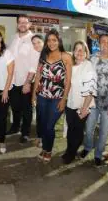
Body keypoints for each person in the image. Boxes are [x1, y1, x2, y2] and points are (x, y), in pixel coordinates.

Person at [80, 34, 108, 166]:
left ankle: (98, 154)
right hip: (92, 102)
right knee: (88, 130)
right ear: (99, 44)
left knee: (104, 134)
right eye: (103, 42)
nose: (106, 45)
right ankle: (88, 147)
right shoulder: (92, 59)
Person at [32, 29, 72, 163]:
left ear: (59, 41)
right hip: (42, 96)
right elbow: (38, 75)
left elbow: (68, 81)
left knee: (49, 126)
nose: (51, 43)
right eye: (49, 40)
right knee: (43, 124)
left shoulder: (65, 57)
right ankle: (45, 148)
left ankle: (48, 150)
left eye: (54, 40)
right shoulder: (43, 55)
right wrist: (34, 95)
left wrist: (64, 99)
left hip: (57, 99)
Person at [7, 15, 40, 143]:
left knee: (27, 109)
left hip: (26, 81)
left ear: (29, 24)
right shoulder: (13, 38)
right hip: (13, 81)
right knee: (15, 107)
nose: (22, 24)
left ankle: (25, 132)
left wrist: (27, 82)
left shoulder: (33, 40)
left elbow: (34, 63)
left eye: (24, 22)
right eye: (20, 22)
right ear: (17, 24)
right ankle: (15, 127)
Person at [63, 41, 97, 164]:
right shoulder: (70, 66)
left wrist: (84, 108)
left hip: (82, 105)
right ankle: (69, 150)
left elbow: (91, 89)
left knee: (77, 131)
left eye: (82, 49)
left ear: (86, 52)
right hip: (70, 104)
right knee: (71, 129)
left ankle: (71, 154)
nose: (80, 52)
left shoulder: (88, 66)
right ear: (73, 52)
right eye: (77, 49)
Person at [30, 34, 45, 148]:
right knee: (40, 115)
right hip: (39, 89)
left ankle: (44, 139)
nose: (36, 45)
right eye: (34, 43)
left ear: (44, 42)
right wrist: (34, 94)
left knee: (45, 116)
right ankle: (40, 137)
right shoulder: (37, 55)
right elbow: (37, 76)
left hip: (50, 91)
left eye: (38, 42)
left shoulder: (48, 55)